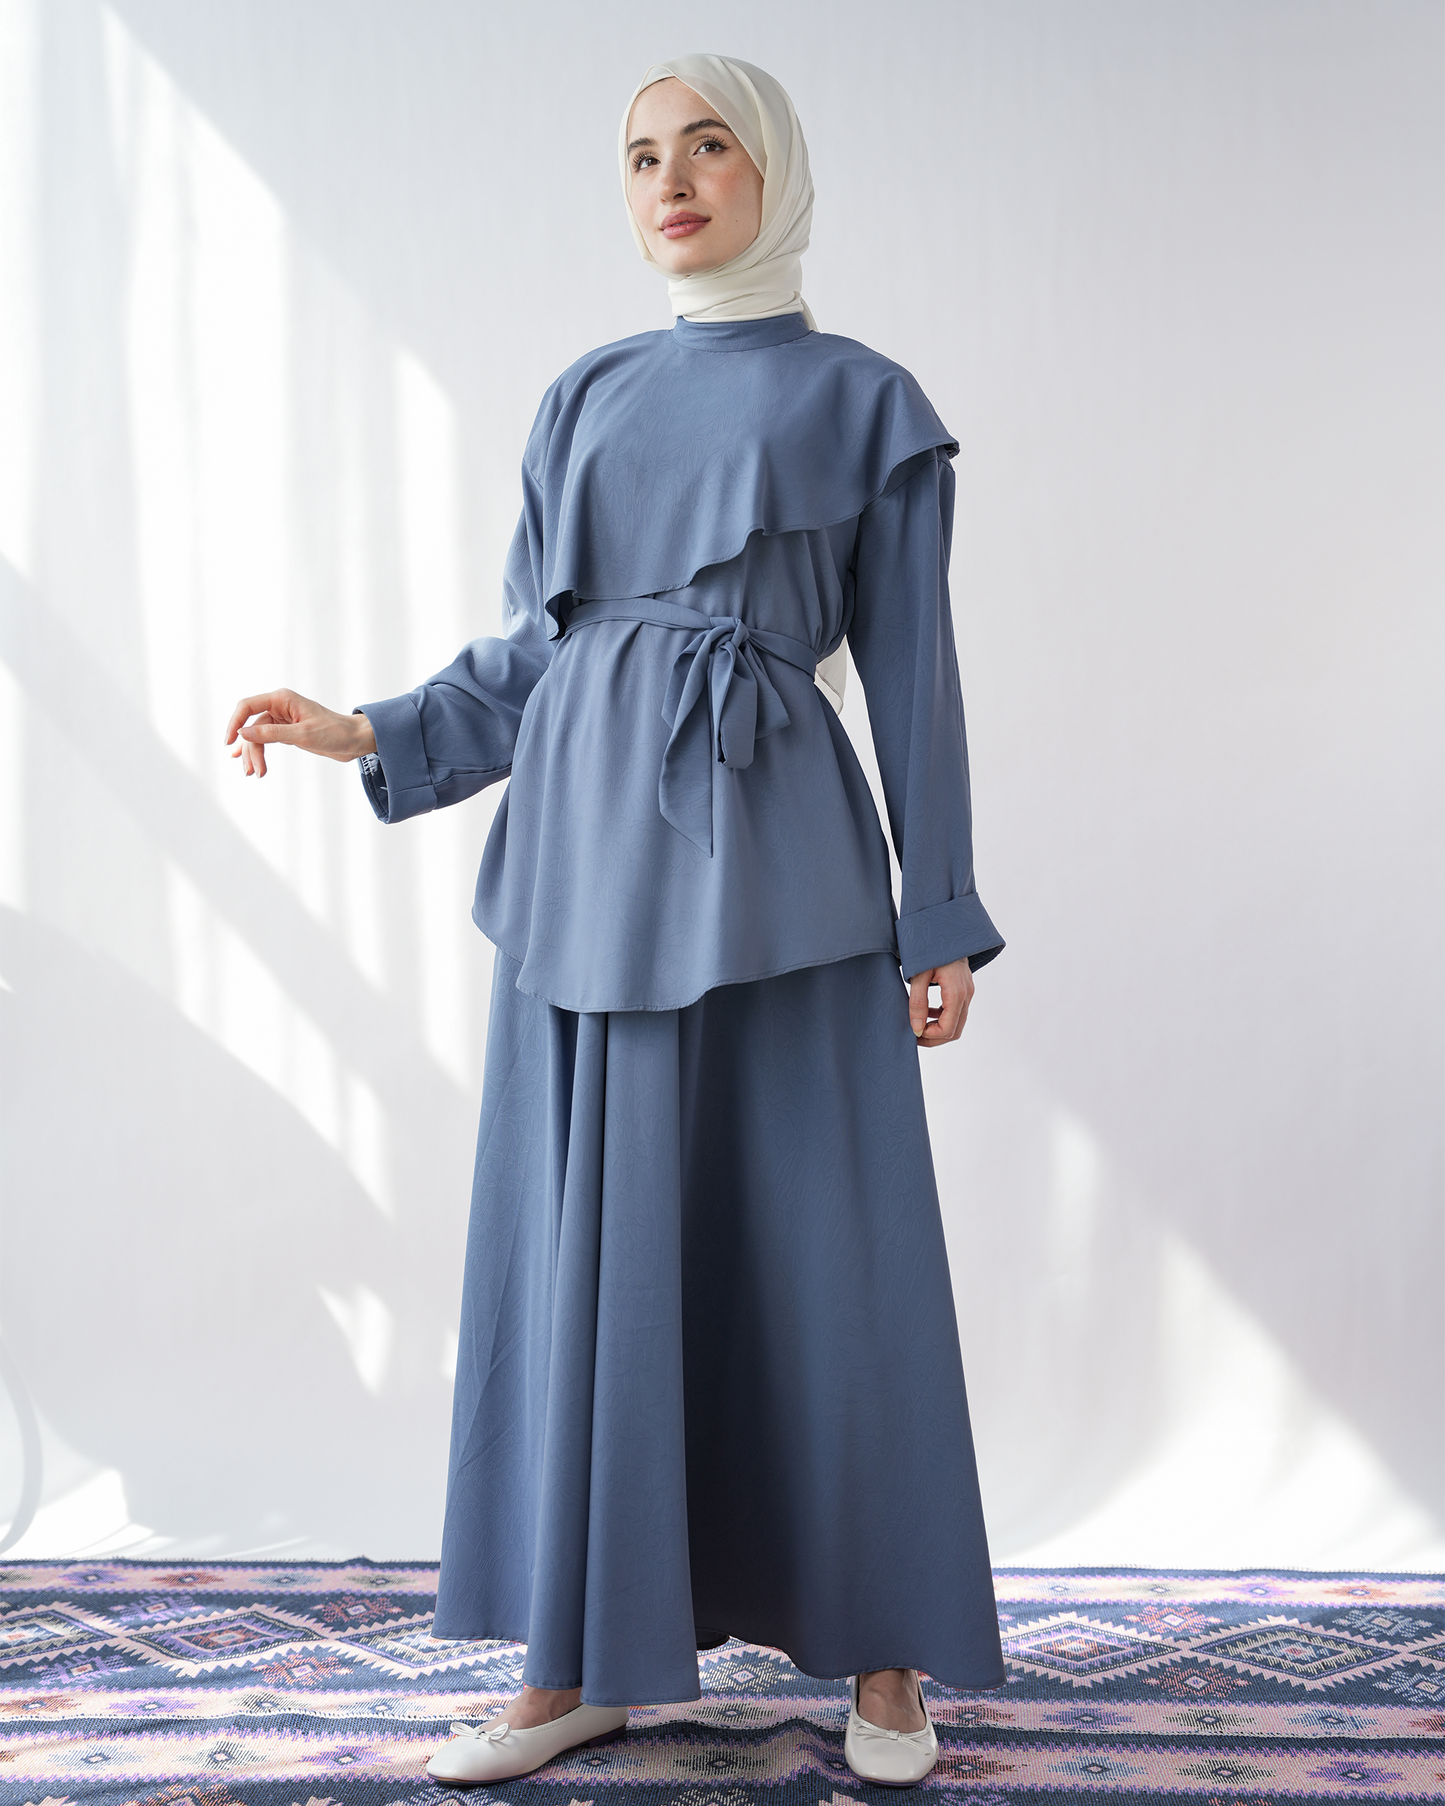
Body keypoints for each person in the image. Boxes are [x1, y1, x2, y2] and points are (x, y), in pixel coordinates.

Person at [225, 53, 1005, 1790]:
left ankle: (887, 1654)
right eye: (644, 156)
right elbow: (539, 652)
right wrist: (370, 727)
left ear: (774, 170)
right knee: (592, 1258)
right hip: (585, 871)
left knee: (833, 1250)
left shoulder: (867, 403)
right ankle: (578, 1655)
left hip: (782, 876)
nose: (671, 180)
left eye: (708, 146)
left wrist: (938, 913)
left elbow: (915, 679)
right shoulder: (582, 396)